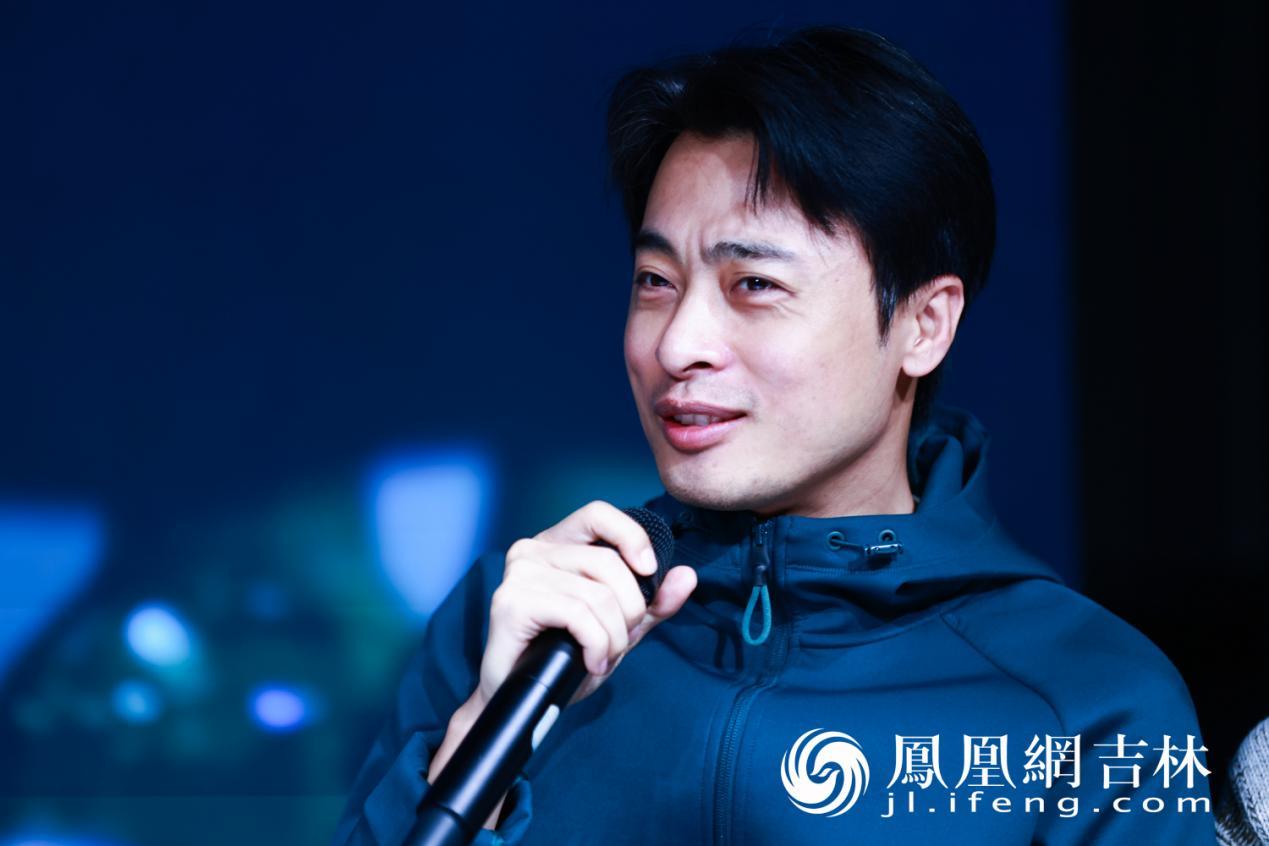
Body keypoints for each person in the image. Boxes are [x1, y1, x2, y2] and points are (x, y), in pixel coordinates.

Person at [331, 25, 1216, 845]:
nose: (676, 344)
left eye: (753, 285)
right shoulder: (516, 625)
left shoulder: (1092, 703)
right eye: (654, 280)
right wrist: (483, 730)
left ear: (923, 324)